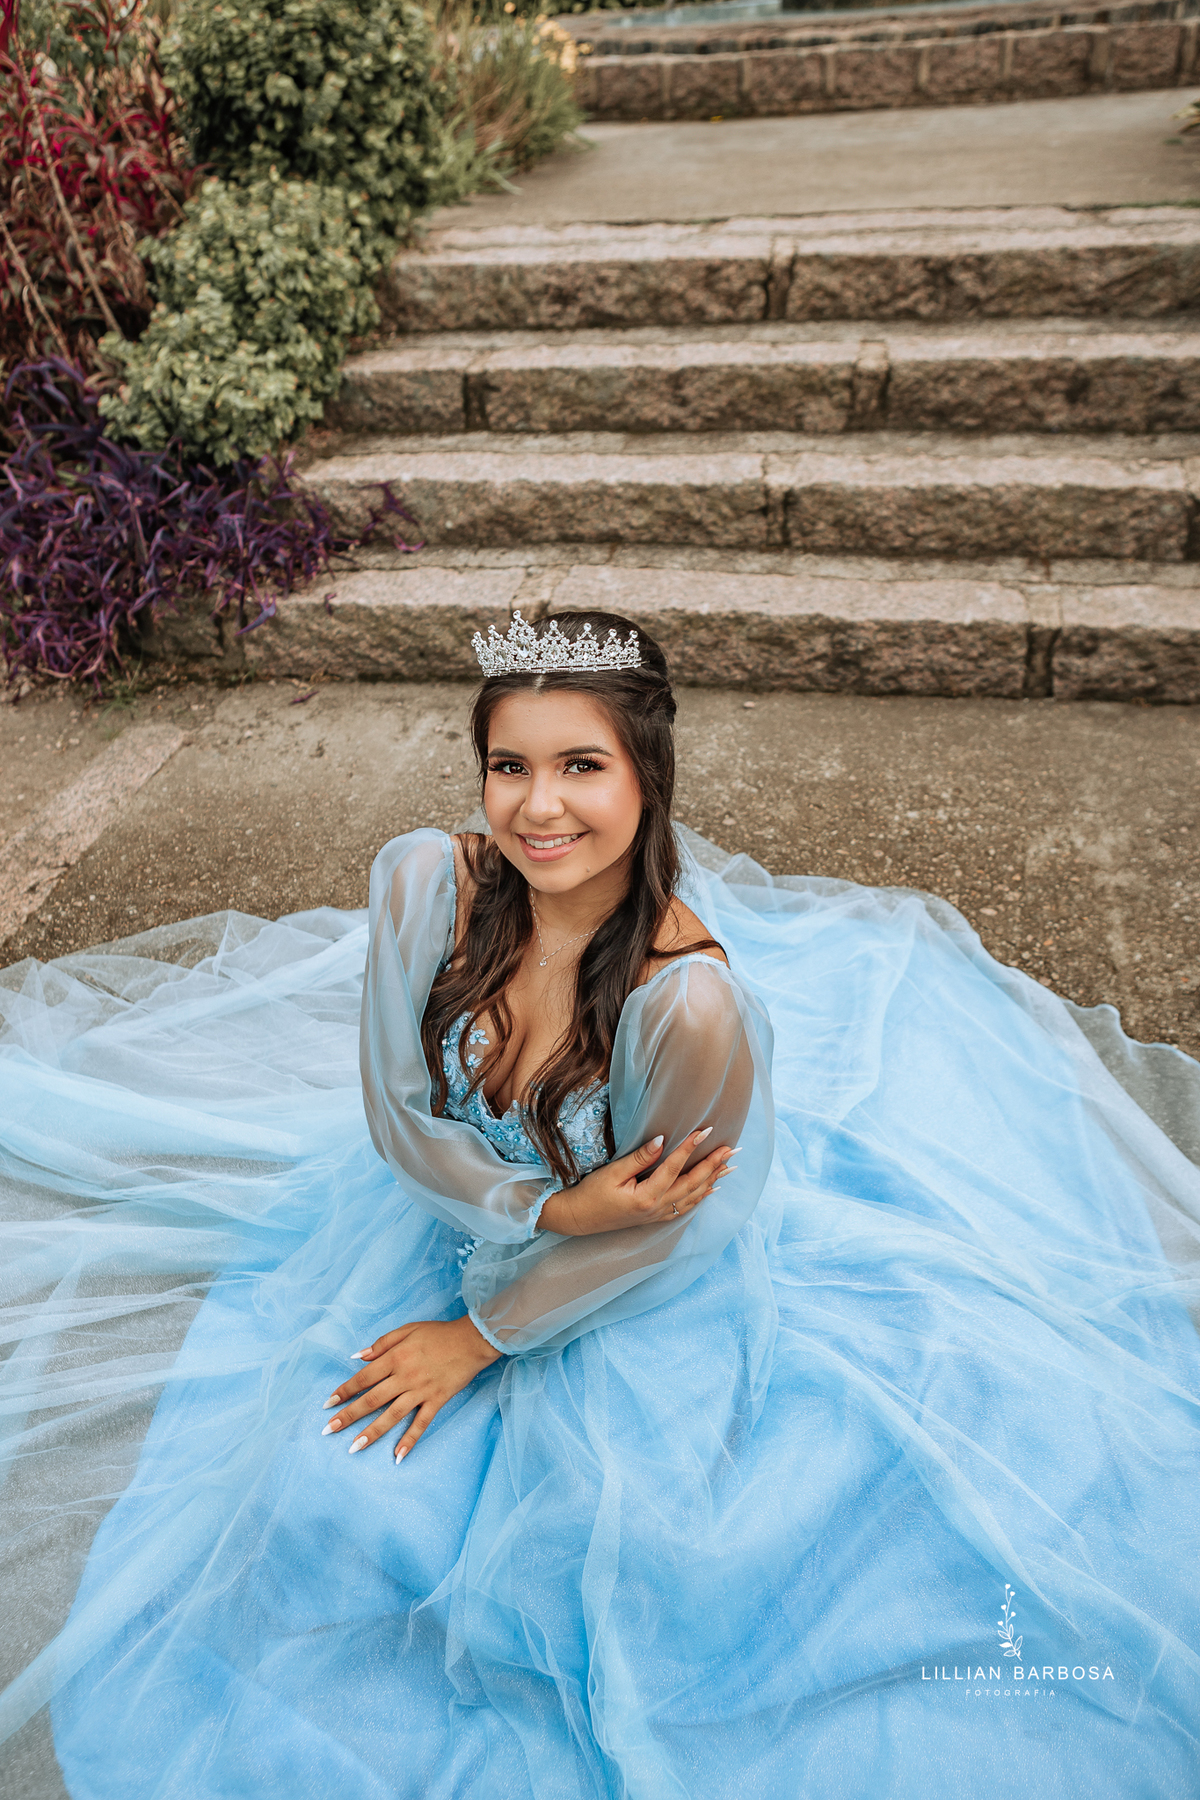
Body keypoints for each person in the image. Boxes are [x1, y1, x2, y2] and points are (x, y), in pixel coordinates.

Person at [0, 609, 1198, 1800]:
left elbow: (679, 1225)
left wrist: (481, 1335)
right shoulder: (426, 882)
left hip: (633, 1298)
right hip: (463, 1218)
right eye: (509, 766)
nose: (539, 808)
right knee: (311, 1502)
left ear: (648, 777)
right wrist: (544, 1208)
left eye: (582, 766)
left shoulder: (689, 1006)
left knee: (623, 1586)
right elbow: (396, 1110)